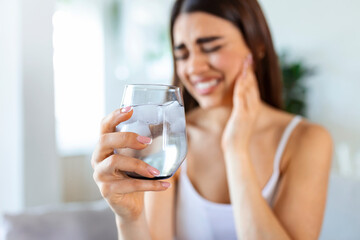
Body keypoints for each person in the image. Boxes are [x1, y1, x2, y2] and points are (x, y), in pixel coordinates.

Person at [91, 0, 333, 239]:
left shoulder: (307, 140)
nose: (193, 67)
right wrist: (129, 218)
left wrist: (236, 149)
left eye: (210, 47)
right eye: (182, 53)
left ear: (257, 45)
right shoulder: (170, 140)